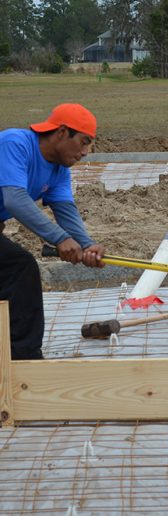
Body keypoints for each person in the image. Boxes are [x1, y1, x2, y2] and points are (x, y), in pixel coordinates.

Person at [0, 103, 105, 360]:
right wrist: (60, 239)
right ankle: (24, 358)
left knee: (18, 268)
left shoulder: (59, 170)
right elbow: (14, 198)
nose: (85, 152)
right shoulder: (15, 143)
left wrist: (87, 244)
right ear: (61, 133)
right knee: (19, 267)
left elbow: (65, 210)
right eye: (83, 142)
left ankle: (20, 356)